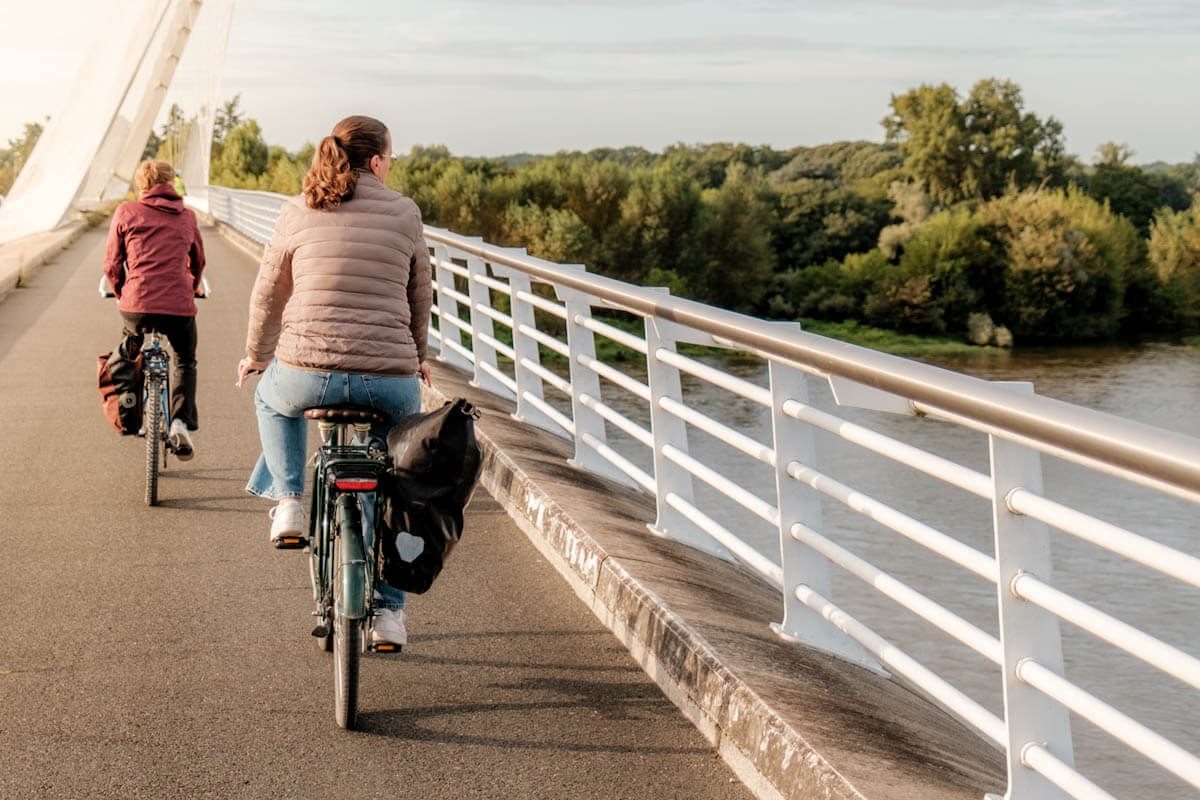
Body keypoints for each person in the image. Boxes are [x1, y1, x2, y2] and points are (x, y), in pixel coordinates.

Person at [236, 115, 432, 647]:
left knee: (271, 401)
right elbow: (420, 296)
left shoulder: (297, 209)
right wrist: (419, 357)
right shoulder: (407, 212)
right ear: (376, 161)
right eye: (390, 158)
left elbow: (268, 292)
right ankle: (390, 614)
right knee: (395, 483)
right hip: (389, 381)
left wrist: (256, 355)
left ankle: (291, 502)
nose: (391, 167)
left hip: (307, 373)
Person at [104, 159, 205, 459]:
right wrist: (192, 286)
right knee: (185, 360)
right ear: (171, 183)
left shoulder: (126, 212)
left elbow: (111, 264)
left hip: (136, 306)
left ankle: (133, 415)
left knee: (129, 353)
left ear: (142, 186)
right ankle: (180, 423)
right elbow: (197, 263)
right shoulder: (187, 217)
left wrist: (122, 291)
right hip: (178, 307)